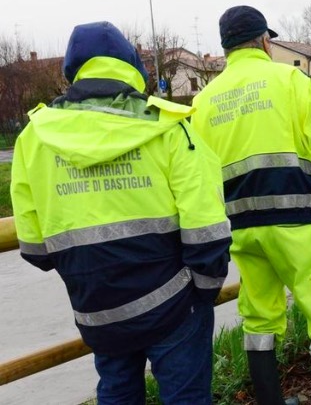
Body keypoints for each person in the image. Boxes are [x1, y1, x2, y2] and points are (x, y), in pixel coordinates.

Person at [11, 21, 231, 404]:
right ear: (132, 66)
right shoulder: (169, 127)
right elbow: (208, 231)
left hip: (98, 311)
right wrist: (202, 296)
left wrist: (93, 280)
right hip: (175, 304)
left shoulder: (33, 138)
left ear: (73, 71)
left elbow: (35, 250)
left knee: (116, 394)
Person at [190, 5, 311, 405]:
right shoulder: (291, 80)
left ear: (226, 49)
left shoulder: (204, 101)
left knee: (259, 319)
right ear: (265, 41)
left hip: (241, 230)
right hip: (297, 225)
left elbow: (200, 180)